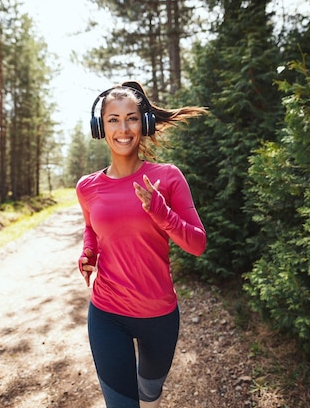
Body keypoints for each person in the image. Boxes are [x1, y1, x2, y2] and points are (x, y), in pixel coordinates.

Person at [76, 81, 207, 408]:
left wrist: (161, 211)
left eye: (132, 118)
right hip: (107, 314)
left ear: (144, 124)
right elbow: (91, 227)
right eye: (113, 119)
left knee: (149, 393)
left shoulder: (169, 177)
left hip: (159, 315)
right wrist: (88, 251)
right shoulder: (87, 187)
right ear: (100, 128)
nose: (123, 128)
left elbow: (197, 244)